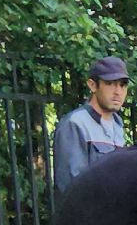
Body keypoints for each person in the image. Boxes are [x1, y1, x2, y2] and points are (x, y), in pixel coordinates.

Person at [52, 56, 131, 194]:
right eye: (110, 83)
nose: (118, 92)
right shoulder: (75, 123)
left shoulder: (117, 125)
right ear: (92, 85)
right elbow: (71, 186)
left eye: (122, 85)